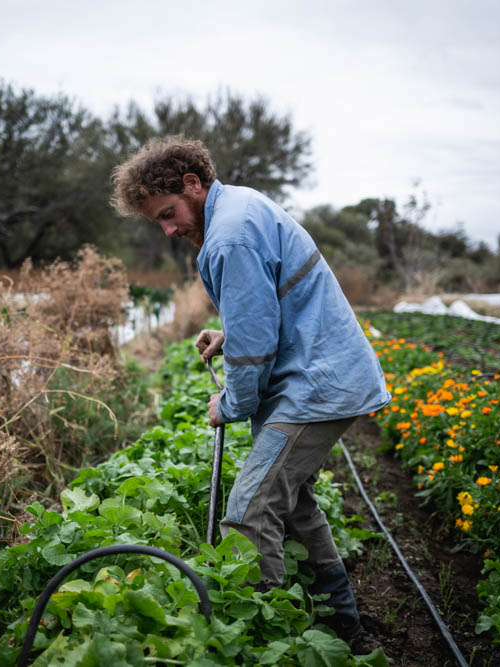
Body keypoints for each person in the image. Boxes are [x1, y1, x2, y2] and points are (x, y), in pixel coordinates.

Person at [111, 136, 391, 640]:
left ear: (192, 184)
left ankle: (261, 640)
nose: (170, 228)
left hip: (316, 387)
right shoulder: (237, 209)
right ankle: (343, 623)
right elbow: (265, 308)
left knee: (247, 515)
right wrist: (227, 334)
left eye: (169, 213)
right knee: (293, 504)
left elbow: (257, 345)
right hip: (318, 375)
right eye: (160, 221)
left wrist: (232, 404)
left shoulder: (229, 236)